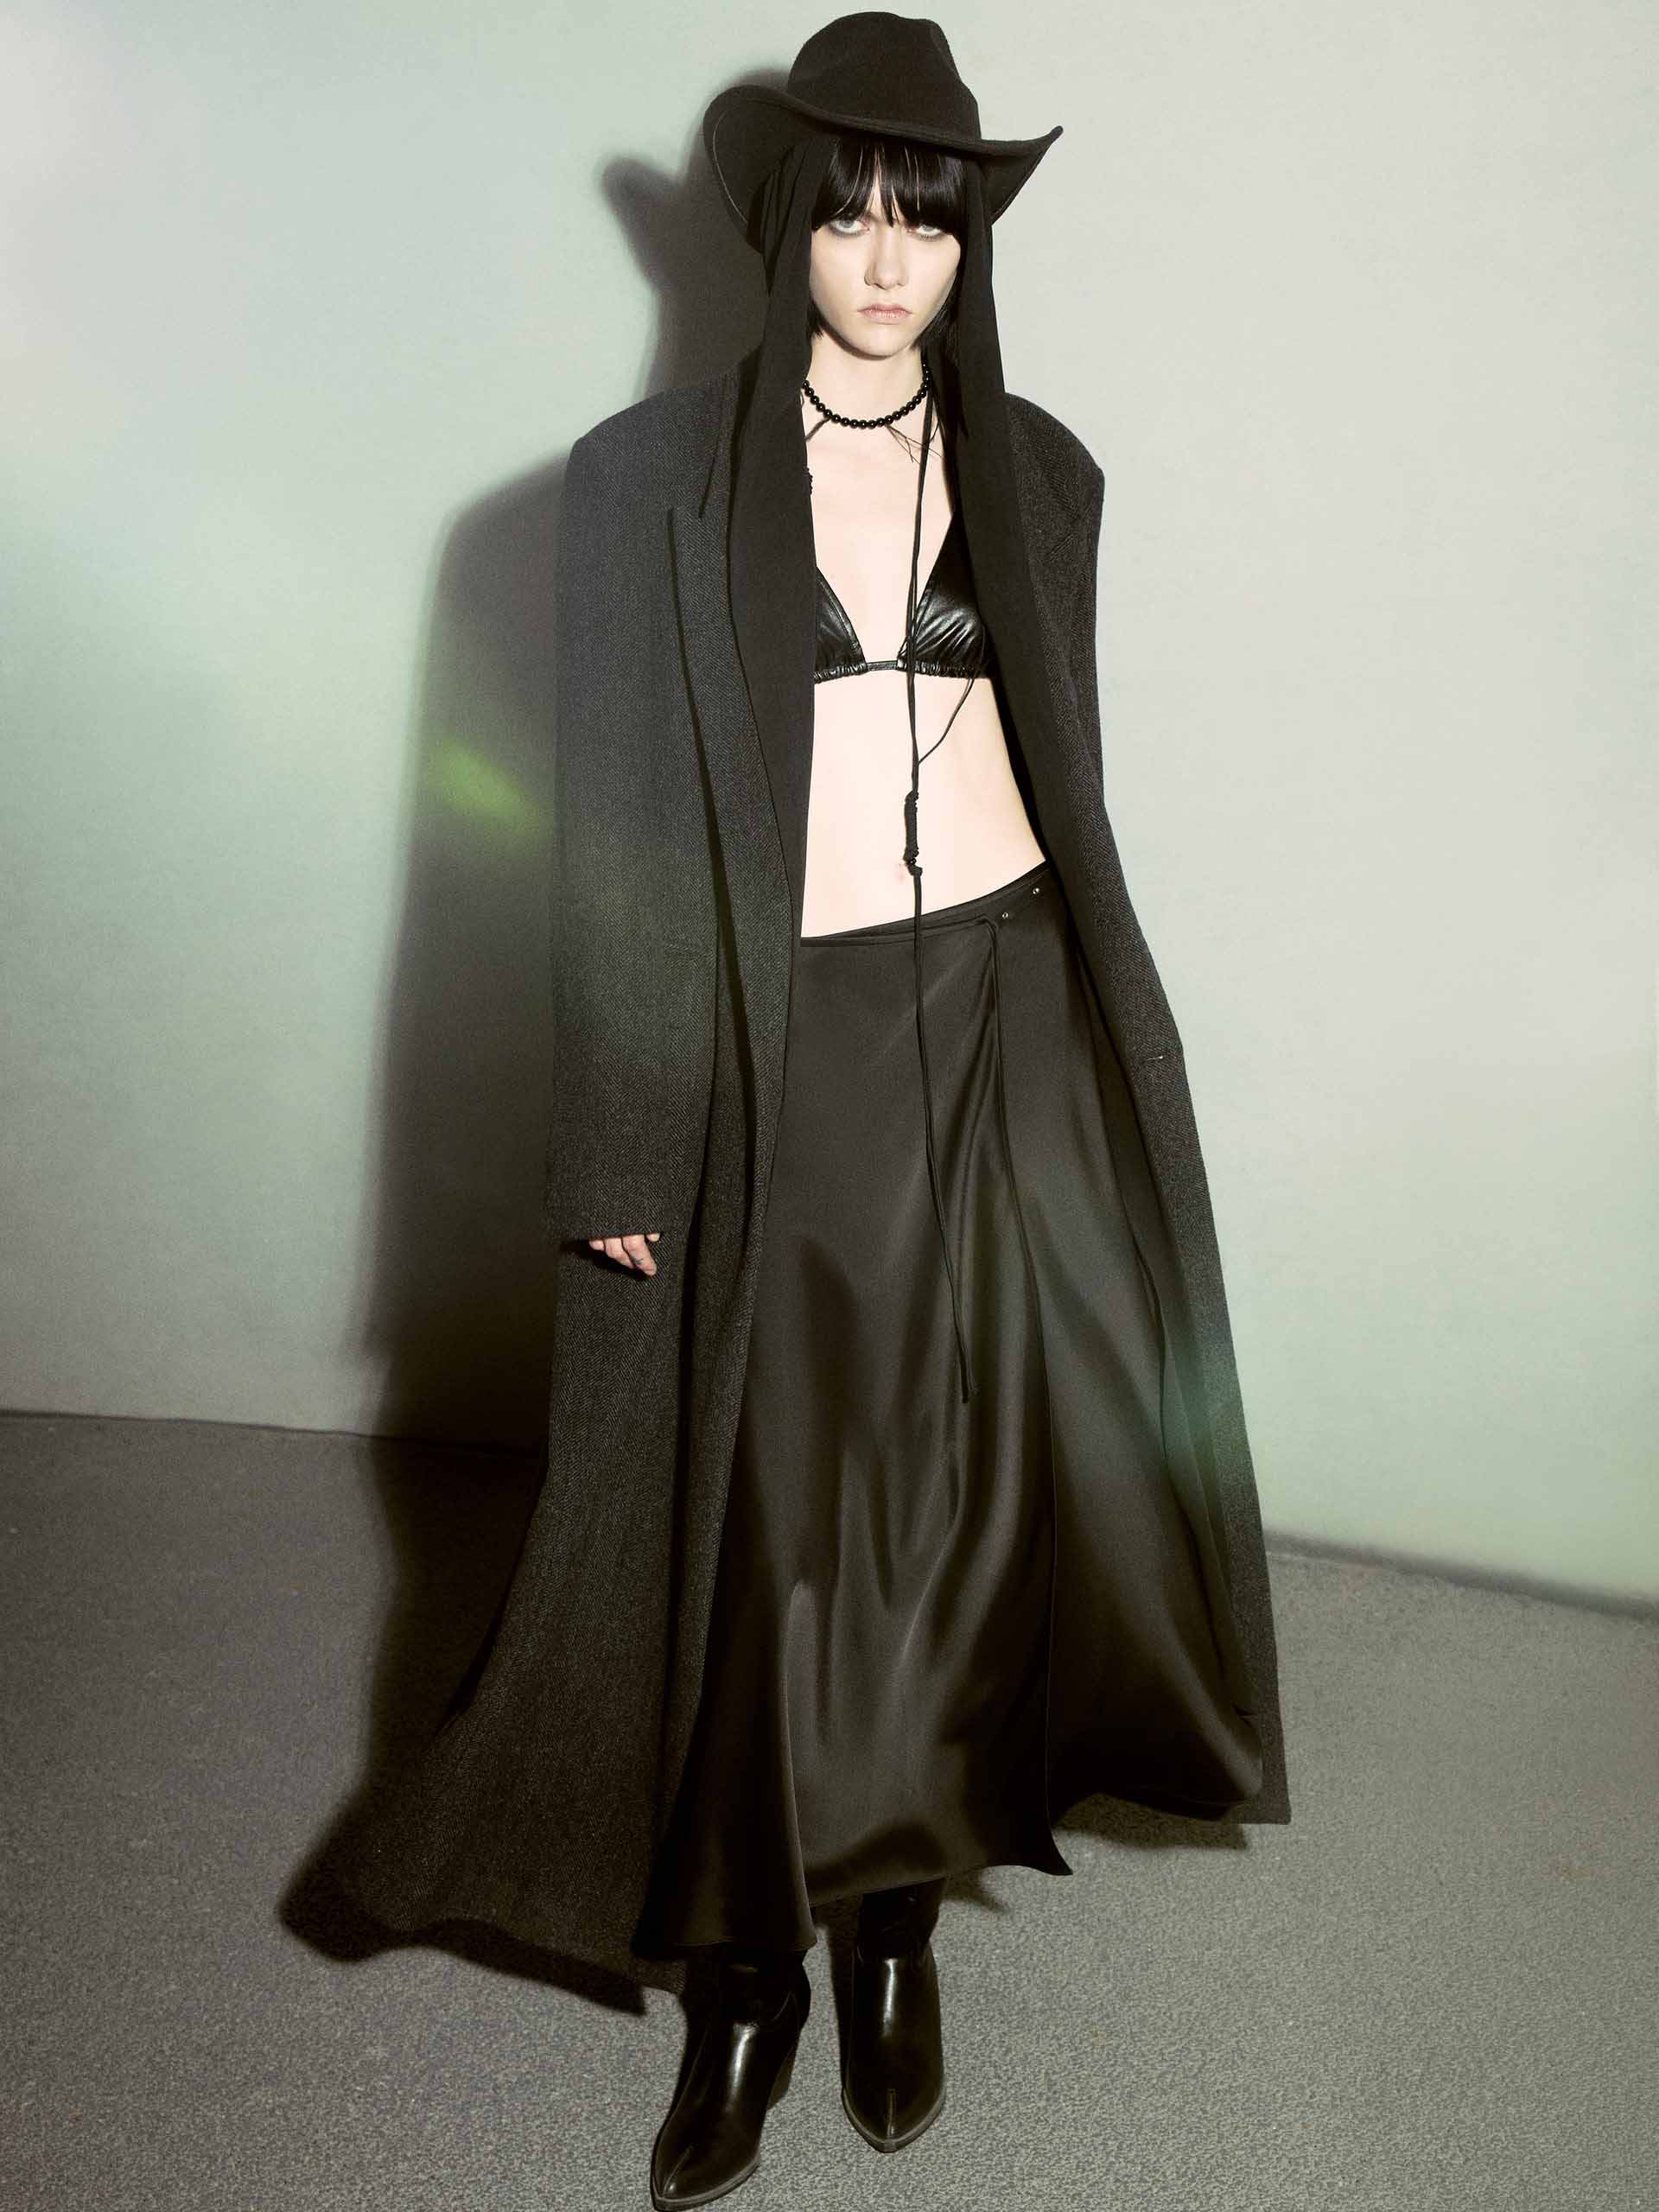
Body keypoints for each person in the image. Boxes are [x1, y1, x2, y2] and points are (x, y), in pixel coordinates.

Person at [327, 18, 1290, 2211]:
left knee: (962, 1485)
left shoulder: (1046, 474)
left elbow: (1068, 779)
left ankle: (892, 1921)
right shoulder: (641, 480)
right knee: (774, 1507)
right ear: (781, 228)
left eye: (924, 221)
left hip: (1011, 1021)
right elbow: (613, 844)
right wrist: (619, 1141)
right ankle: (747, 1961)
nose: (885, 258)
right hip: (791, 1035)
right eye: (848, 213)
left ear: (967, 245)